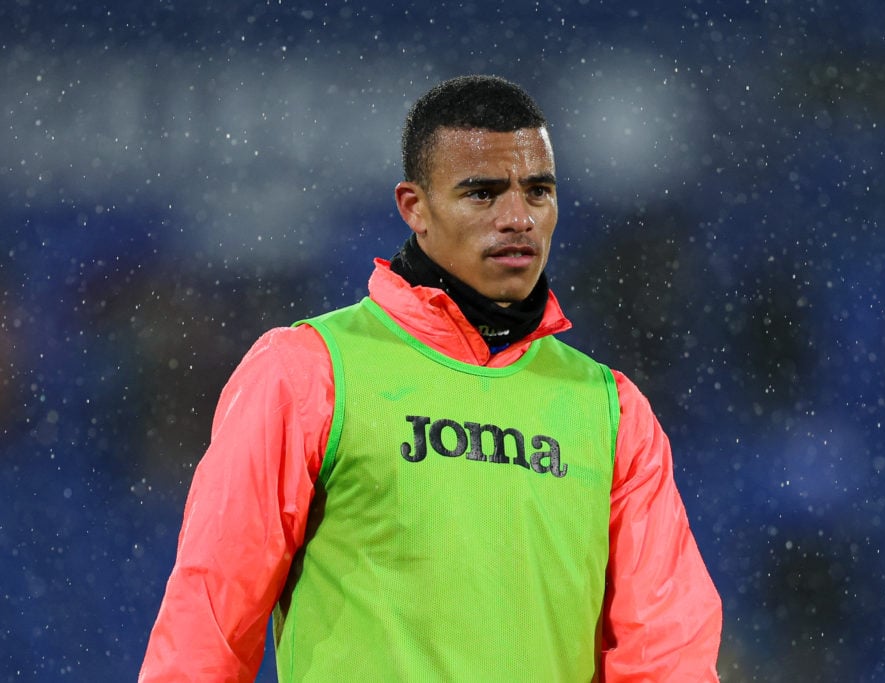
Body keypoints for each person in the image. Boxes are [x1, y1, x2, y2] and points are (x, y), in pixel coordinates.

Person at [140, 74, 722, 682]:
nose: (518, 218)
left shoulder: (613, 412)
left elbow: (666, 651)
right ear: (415, 207)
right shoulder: (307, 372)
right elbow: (207, 623)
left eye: (538, 191)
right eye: (483, 193)